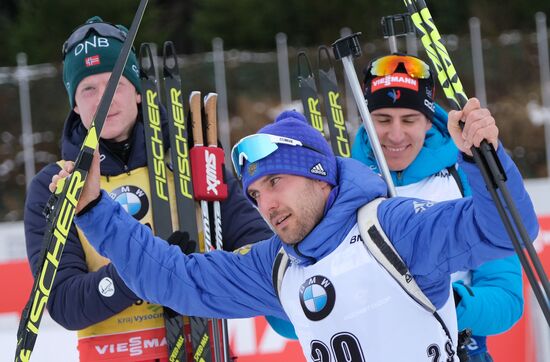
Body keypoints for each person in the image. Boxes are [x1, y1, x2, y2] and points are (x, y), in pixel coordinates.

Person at [51, 107, 538, 362]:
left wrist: (481, 157)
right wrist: (95, 210)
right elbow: (177, 280)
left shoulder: (392, 226)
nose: (266, 205)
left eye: (276, 183)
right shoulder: (276, 264)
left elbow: (505, 231)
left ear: (319, 175)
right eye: (257, 194)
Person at [23, 16, 272, 361]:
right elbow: (64, 303)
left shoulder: (190, 156)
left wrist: (195, 274)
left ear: (138, 93)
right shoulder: (57, 185)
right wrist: (150, 268)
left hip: (200, 348)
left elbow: (259, 254)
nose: (103, 100)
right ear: (75, 105)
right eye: (88, 90)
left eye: (114, 85)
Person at [351, 53, 523, 361]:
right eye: (382, 119)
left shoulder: (466, 174)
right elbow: (289, 320)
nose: (396, 134)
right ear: (365, 118)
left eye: (409, 119)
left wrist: (448, 302)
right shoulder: (344, 184)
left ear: (429, 119)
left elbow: (507, 299)